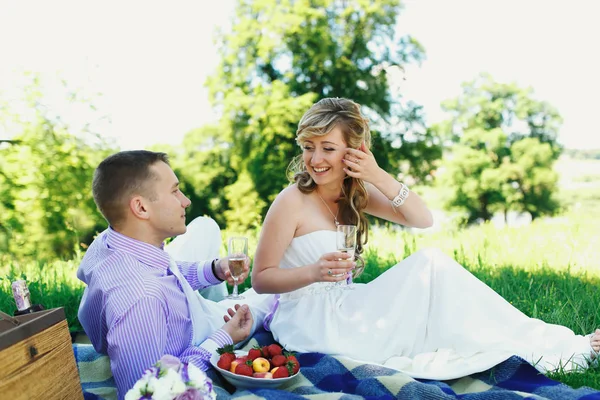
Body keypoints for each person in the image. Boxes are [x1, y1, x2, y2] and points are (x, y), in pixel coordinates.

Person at [251, 97, 600, 379]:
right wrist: (313, 272)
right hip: (312, 324)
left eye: (328, 148)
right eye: (309, 146)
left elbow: (422, 219)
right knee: (429, 271)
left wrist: (379, 176)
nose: (315, 159)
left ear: (353, 152)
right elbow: (261, 278)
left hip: (345, 307)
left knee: (432, 268)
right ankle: (557, 346)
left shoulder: (354, 193)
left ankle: (556, 345)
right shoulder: (291, 201)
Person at [77, 150, 272, 399]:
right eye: (175, 191)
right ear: (140, 207)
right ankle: (224, 305)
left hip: (175, 309)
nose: (186, 200)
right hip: (193, 330)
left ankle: (217, 295)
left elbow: (167, 271)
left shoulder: (114, 240)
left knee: (205, 225)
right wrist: (224, 337)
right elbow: (148, 391)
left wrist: (214, 269)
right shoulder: (142, 300)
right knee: (270, 297)